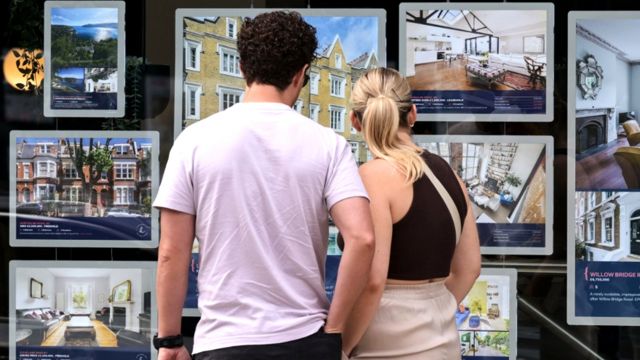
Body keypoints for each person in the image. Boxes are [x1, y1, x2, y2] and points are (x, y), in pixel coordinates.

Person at [153, 11, 375, 360]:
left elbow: (171, 252)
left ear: (241, 67)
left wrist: (168, 341)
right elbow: (362, 238)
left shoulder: (192, 141)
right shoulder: (330, 144)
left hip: (224, 343)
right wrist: (334, 329)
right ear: (302, 74)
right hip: (306, 340)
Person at [341, 68, 481, 359]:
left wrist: (341, 346)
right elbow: (470, 268)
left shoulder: (371, 176)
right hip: (443, 342)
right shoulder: (449, 174)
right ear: (413, 114)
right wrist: (432, 312)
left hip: (382, 342)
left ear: (355, 121)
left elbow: (373, 282)